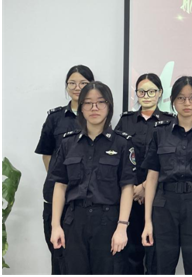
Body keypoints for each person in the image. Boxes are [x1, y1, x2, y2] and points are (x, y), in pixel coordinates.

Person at [49, 81, 136, 275]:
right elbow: (60, 185)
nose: (94, 108)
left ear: (109, 106)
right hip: (74, 221)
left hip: (107, 222)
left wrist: (122, 227)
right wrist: (56, 226)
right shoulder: (68, 143)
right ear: (81, 108)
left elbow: (127, 187)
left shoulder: (122, 143)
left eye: (100, 102)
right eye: (88, 103)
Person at [141, 76, 192, 275]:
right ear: (173, 101)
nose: (187, 103)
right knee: (162, 267)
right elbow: (152, 177)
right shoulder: (160, 132)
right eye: (181, 98)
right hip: (164, 206)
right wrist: (148, 221)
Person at [35, 64, 94, 275]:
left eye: (83, 83)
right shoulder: (55, 118)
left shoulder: (97, 115)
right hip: (56, 193)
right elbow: (46, 154)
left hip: (85, 197)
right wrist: (61, 180)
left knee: (84, 257)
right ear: (66, 86)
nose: (77, 87)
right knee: (58, 254)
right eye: (72, 83)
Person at [115, 73, 175, 274]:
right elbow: (117, 156)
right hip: (130, 195)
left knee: (156, 252)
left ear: (160, 93)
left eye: (151, 91)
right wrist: (133, 188)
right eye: (142, 92)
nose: (146, 96)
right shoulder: (126, 121)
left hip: (159, 196)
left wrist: (145, 187)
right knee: (131, 252)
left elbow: (171, 160)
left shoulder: (170, 122)